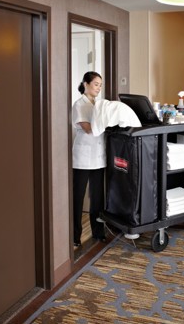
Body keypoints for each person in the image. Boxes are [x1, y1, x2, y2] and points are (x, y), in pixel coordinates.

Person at [72, 71, 106, 247]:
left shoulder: (100, 104)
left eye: (100, 85)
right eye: (95, 84)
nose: (98, 88)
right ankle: (75, 236)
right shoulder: (79, 104)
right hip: (82, 159)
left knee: (97, 198)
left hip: (99, 158)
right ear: (86, 84)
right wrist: (106, 121)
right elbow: (87, 128)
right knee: (77, 198)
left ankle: (98, 233)